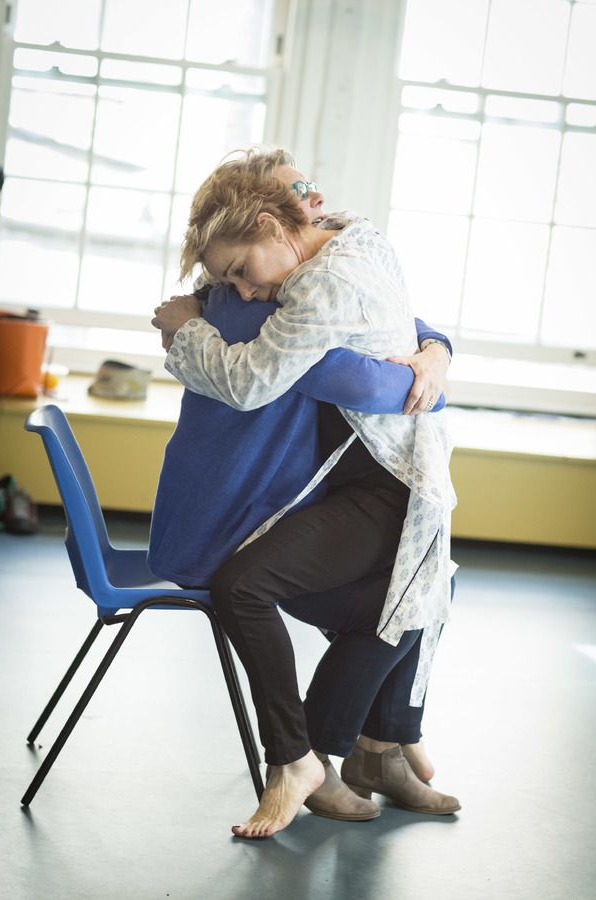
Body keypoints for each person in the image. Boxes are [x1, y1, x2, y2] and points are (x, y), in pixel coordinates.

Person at [151, 150, 458, 838]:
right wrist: (435, 346)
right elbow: (403, 330)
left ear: (270, 222)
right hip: (352, 481)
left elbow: (250, 380)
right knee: (385, 601)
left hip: (388, 487)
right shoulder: (349, 245)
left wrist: (185, 327)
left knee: (255, 587)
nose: (247, 291)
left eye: (240, 270)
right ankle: (372, 749)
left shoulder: (321, 284)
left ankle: (306, 757)